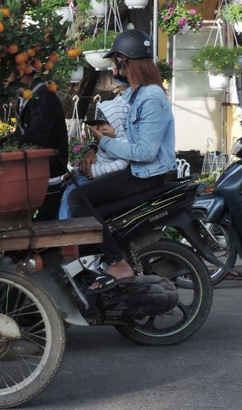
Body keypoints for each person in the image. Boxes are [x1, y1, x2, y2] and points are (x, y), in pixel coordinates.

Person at [68, 30, 176, 290]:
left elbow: (144, 152)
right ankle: (99, 266)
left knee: (78, 199)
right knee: (89, 211)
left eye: (116, 62)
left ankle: (117, 263)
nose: (114, 68)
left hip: (146, 174)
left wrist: (104, 142)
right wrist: (93, 147)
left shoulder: (151, 97)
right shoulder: (133, 94)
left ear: (124, 61)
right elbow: (113, 128)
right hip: (135, 171)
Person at [9, 70, 69, 220]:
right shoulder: (25, 98)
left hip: (47, 174)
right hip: (34, 173)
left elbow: (36, 137)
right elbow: (20, 134)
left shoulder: (44, 95)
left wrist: (4, 148)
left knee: (43, 224)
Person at [58, 98, 129, 219]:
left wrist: (97, 171)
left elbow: (122, 163)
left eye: (109, 123)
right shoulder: (102, 142)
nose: (104, 128)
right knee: (62, 190)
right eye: (101, 124)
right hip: (86, 175)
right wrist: (75, 171)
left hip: (98, 179)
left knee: (70, 196)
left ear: (119, 122)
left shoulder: (122, 143)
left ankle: (64, 227)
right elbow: (94, 159)